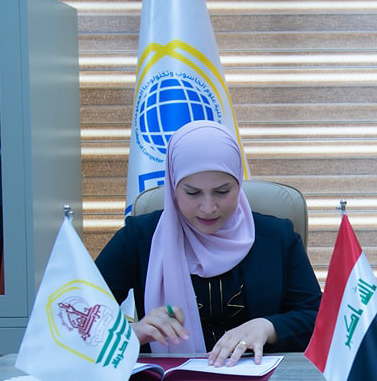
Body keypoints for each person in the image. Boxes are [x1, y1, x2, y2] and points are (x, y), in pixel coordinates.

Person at [96, 120, 322, 366]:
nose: (208, 207)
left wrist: (268, 327)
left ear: (239, 183)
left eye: (222, 192)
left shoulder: (277, 237)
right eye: (192, 193)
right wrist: (134, 332)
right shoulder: (139, 238)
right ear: (173, 187)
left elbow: (318, 317)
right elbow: (79, 315)